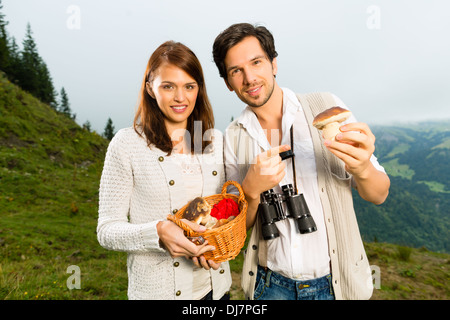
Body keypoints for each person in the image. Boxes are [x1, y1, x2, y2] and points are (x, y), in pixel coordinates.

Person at [212, 23, 390, 300]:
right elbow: (240, 226)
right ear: (227, 82)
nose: (249, 78)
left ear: (274, 64)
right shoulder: (233, 137)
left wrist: (363, 168)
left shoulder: (325, 106)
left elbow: (379, 194)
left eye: (256, 62)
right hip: (270, 285)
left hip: (336, 282)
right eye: (236, 71)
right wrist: (250, 191)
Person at [97, 41, 231, 300]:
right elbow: (107, 230)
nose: (180, 97)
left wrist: (215, 245)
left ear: (199, 89)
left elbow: (222, 213)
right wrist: (157, 232)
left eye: (189, 86)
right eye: (168, 86)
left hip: (216, 291)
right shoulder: (126, 144)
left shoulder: (215, 141)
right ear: (150, 88)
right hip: (156, 294)